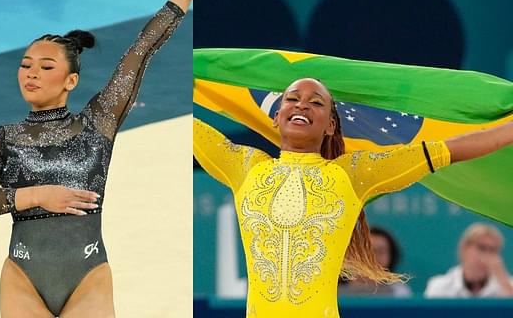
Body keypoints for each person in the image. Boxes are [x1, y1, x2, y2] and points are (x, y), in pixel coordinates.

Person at [0, 0, 192, 318]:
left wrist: (180, 0)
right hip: (23, 278)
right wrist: (35, 195)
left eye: (46, 67)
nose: (32, 73)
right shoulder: (2, 137)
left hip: (88, 277)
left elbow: (139, 54)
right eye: (26, 65)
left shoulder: (97, 125)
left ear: (71, 80)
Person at [193, 78, 513, 317]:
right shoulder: (244, 166)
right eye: (292, 98)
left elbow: (448, 150)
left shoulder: (352, 173)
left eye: (316, 102)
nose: (303, 104)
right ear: (276, 117)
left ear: (331, 125)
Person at [425, 222, 513, 298]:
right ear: (464, 249)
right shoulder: (440, 287)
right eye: (482, 248)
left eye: (492, 250)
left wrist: (503, 281)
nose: (487, 256)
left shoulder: (507, 286)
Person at [338, 227, 412, 297]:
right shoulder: (332, 290)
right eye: (366, 251)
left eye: (380, 251)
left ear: (391, 257)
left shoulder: (400, 293)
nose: (373, 257)